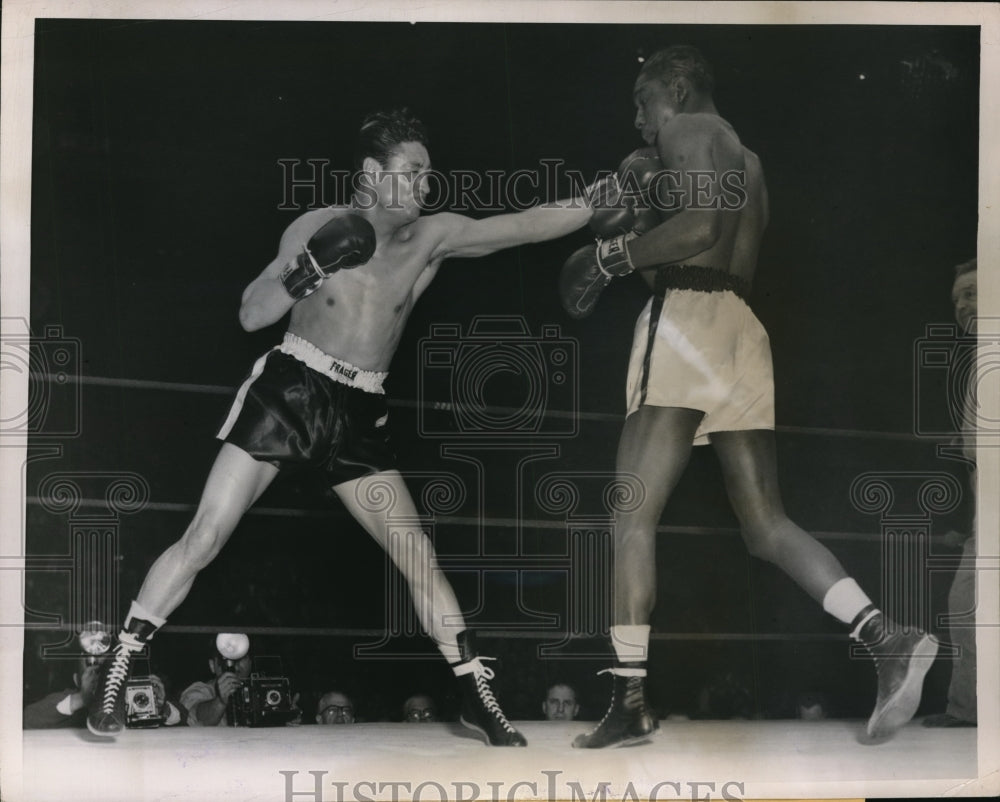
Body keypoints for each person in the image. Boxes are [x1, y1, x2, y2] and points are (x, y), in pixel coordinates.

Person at [87, 108, 594, 746]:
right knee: (206, 534)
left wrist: (596, 204)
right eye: (410, 174)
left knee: (417, 555)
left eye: (427, 175)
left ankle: (473, 690)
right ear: (372, 175)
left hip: (360, 415)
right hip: (291, 393)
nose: (423, 187)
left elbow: (518, 227)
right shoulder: (317, 226)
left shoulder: (429, 237)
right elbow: (251, 313)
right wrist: (312, 267)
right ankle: (119, 667)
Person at [562, 45, 938, 748]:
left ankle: (629, 697)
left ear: (676, 89)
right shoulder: (750, 161)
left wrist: (611, 255)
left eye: (643, 102)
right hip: (738, 328)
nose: (639, 122)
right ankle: (886, 637)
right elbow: (705, 253)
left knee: (630, 514)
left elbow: (698, 235)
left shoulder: (688, 130)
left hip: (688, 326)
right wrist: (641, 232)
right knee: (765, 526)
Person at [924, 257, 978, 728]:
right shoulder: (977, 368)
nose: (963, 305)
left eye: (974, 293)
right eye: (958, 299)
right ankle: (968, 709)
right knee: (964, 603)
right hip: (988, 521)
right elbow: (972, 463)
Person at [24, 657, 185, 728]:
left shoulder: (131, 699)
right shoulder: (68, 702)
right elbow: (27, 720)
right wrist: (83, 698)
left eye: (108, 668)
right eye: (92, 668)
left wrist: (161, 708)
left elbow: (187, 719)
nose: (101, 676)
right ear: (76, 680)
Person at [180, 645, 253, 727]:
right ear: (212, 665)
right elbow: (196, 718)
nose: (234, 664)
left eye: (241, 657)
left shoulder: (256, 690)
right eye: (225, 658)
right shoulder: (199, 690)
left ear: (250, 662)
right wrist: (220, 702)